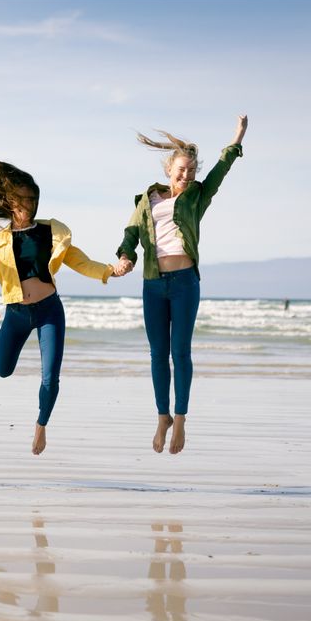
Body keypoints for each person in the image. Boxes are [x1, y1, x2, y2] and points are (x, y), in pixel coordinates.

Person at [0, 141, 117, 456]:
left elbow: (79, 261)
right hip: (16, 314)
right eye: (20, 198)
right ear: (8, 201)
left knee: (50, 376)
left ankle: (41, 426)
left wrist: (108, 271)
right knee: (3, 369)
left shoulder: (51, 232)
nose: (26, 204)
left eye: (31, 199)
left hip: (50, 310)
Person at [113, 115, 248, 455]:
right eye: (181, 170)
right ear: (168, 170)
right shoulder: (146, 200)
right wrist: (126, 256)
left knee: (180, 353)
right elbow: (130, 234)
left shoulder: (197, 197)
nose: (186, 176)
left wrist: (237, 137)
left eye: (191, 171)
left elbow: (221, 170)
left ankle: (181, 418)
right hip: (153, 284)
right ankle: (162, 417)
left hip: (186, 282)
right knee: (158, 354)